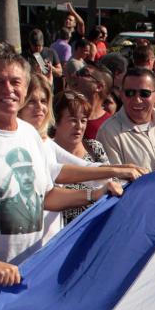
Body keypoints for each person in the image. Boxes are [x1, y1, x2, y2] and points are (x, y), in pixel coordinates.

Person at [0, 44, 140, 287]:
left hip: (26, 277)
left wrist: (94, 194)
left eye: (15, 82)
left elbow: (45, 195)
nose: (8, 89)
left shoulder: (30, 134)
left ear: (25, 87)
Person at [50, 91, 118, 225]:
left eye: (83, 120)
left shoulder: (94, 148)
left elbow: (112, 184)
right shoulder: (46, 151)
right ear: (56, 121)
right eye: (73, 120)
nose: (79, 126)